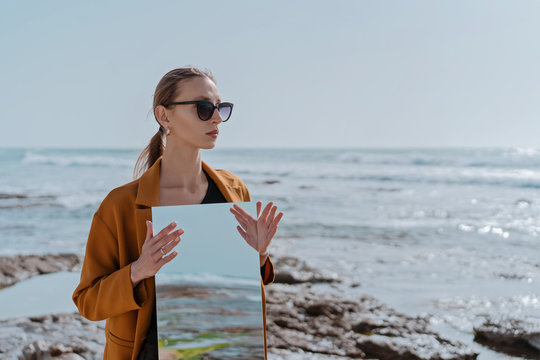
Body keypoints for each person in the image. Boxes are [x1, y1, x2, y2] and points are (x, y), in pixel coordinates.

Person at [72, 66, 284, 359]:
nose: (216, 118)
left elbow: (239, 292)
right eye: (203, 108)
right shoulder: (120, 205)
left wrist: (258, 257)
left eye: (220, 108)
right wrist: (137, 272)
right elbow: (88, 302)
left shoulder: (234, 191)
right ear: (164, 116)